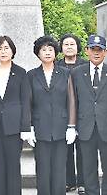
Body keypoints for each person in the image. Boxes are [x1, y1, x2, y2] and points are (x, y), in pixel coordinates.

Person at [71, 34, 107, 195]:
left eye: (100, 50)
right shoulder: (76, 73)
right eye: (93, 49)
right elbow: (73, 101)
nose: (96, 53)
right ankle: (91, 192)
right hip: (85, 127)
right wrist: (72, 125)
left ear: (105, 52)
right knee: (88, 166)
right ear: (87, 51)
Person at [0, 36, 32, 195]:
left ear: (12, 51)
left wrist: (26, 126)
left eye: (6, 48)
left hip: (14, 126)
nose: (3, 52)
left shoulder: (20, 72)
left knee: (13, 165)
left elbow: (25, 101)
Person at [28, 36, 77, 195]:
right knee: (42, 169)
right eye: (43, 50)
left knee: (59, 169)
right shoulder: (31, 75)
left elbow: (71, 100)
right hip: (40, 127)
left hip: (61, 128)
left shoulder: (65, 73)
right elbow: (28, 102)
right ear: (38, 53)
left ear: (56, 53)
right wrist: (29, 127)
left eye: (50, 49)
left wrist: (71, 125)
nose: (47, 53)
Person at [56, 33, 86, 193]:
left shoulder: (85, 65)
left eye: (72, 44)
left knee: (82, 149)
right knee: (66, 149)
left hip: (82, 113)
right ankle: (69, 181)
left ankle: (82, 182)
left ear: (78, 47)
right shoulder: (55, 65)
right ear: (61, 47)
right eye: (66, 44)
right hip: (62, 112)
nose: (69, 47)